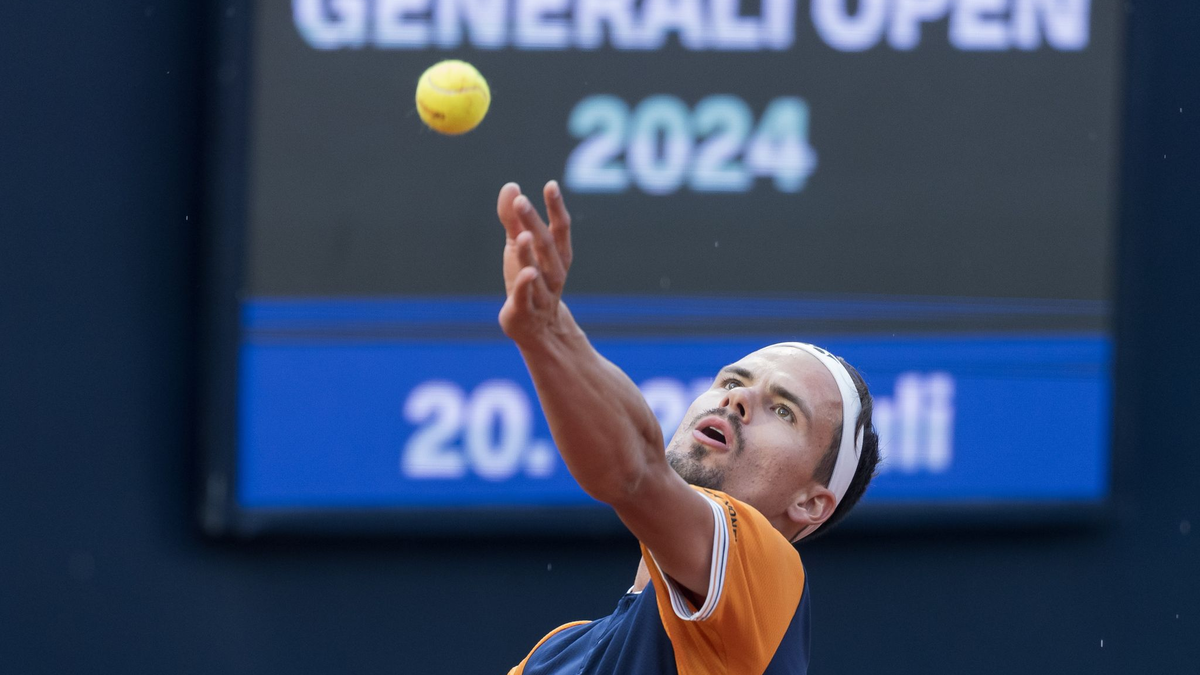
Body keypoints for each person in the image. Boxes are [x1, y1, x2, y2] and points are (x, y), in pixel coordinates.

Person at [497, 181, 881, 675]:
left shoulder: (768, 576)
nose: (737, 398)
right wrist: (545, 329)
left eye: (784, 410)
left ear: (810, 503)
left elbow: (635, 473)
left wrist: (548, 335)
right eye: (732, 380)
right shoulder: (554, 653)